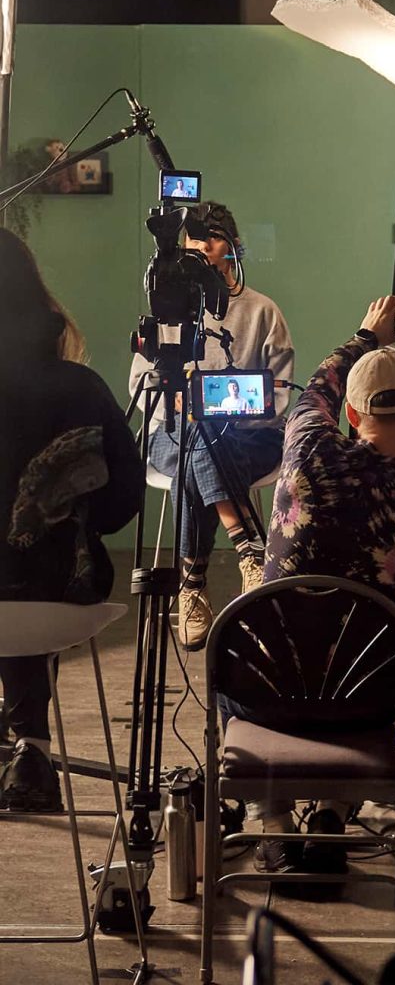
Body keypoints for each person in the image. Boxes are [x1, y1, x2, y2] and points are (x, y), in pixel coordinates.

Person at [223, 294, 395, 873]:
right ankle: (331, 814)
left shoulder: (305, 452)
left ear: (352, 416)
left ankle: (274, 826)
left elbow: (314, 390)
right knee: (373, 655)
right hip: (364, 708)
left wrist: (365, 334)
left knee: (250, 652)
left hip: (266, 700)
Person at [0, 229, 142, 812]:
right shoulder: (82, 388)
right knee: (37, 563)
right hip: (63, 598)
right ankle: (31, 749)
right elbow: (123, 501)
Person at [129, 201, 294, 651]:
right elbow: (140, 387)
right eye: (194, 237)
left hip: (251, 439)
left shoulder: (263, 312)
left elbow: (278, 397)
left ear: (233, 247)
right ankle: (247, 545)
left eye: (213, 237)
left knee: (204, 433)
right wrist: (185, 404)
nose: (203, 245)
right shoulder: (165, 308)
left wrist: (224, 411)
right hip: (171, 434)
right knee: (197, 427)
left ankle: (192, 583)